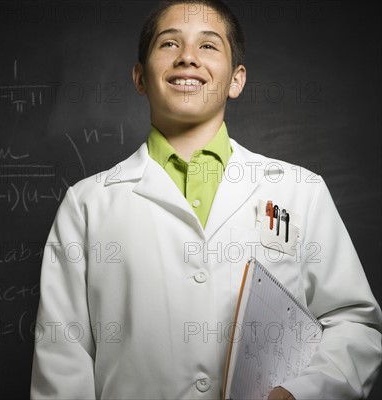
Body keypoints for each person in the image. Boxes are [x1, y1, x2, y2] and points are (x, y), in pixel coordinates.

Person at [30, 0, 382, 399]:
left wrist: (303, 392)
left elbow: (353, 322)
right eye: (168, 44)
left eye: (209, 46)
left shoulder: (299, 190)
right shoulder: (88, 204)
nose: (187, 59)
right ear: (140, 76)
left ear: (236, 79)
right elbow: (63, 357)